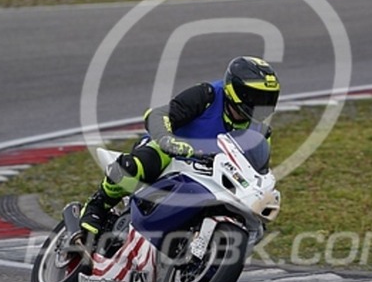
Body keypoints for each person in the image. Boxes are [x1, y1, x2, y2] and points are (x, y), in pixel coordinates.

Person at [79, 56, 281, 236]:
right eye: (257, 97)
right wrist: (168, 140)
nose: (262, 105)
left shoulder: (261, 132)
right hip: (172, 154)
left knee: (254, 223)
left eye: (268, 99)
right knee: (136, 166)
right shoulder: (207, 95)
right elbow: (158, 115)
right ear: (235, 91)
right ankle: (97, 206)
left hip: (212, 173)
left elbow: (256, 169)